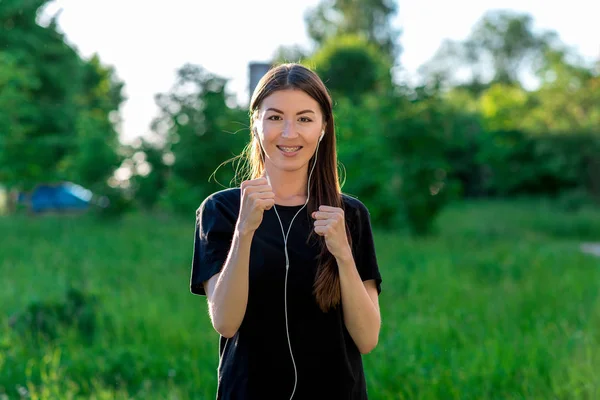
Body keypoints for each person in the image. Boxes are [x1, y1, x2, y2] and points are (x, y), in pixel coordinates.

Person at [190, 63, 382, 400]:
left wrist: (343, 254)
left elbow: (367, 339)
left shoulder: (348, 215)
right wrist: (244, 231)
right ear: (256, 124)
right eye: (275, 117)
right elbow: (225, 322)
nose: (289, 133)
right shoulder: (220, 211)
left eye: (305, 119)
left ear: (323, 128)